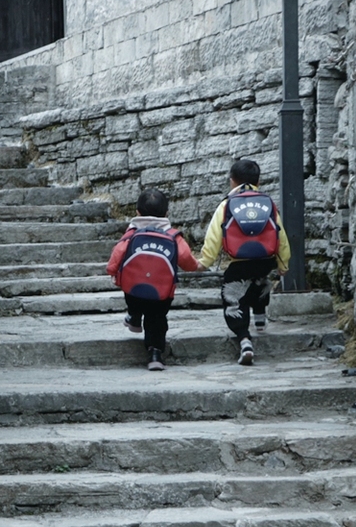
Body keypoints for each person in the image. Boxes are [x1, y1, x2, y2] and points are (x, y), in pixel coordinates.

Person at [199, 159, 292, 365]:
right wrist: (283, 263)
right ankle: (259, 315)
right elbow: (280, 235)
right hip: (265, 259)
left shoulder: (226, 205)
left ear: (232, 181)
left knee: (233, 297)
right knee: (259, 280)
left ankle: (244, 339)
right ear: (258, 180)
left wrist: (205, 261)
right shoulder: (268, 203)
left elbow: (214, 236)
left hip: (238, 261)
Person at [106, 188, 203, 371]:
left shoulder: (132, 234)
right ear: (166, 213)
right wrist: (196, 266)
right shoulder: (174, 236)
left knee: (133, 298)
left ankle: (134, 316)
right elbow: (186, 259)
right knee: (157, 319)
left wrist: (112, 272)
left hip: (134, 289)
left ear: (137, 212)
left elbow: (117, 254)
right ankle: (155, 354)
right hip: (162, 293)